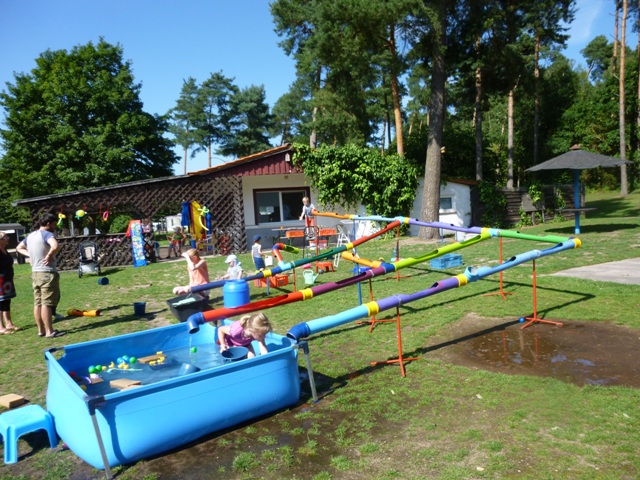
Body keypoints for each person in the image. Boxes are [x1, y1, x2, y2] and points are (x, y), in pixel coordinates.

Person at [15, 213, 66, 338]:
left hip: (35, 274)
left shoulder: (31, 235)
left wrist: (31, 256)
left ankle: (41, 330)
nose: (55, 227)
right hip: (47, 273)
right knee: (46, 303)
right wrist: (49, 256)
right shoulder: (48, 234)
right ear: (48, 224)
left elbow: (18, 248)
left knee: (37, 303)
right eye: (54, 224)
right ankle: (49, 331)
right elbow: (55, 246)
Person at [0, 232, 20, 334]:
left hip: (7, 280)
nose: (7, 238)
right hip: (0, 280)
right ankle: (1, 327)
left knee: (7, 301)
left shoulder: (5, 249)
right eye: (5, 237)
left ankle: (9, 323)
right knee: (0, 302)